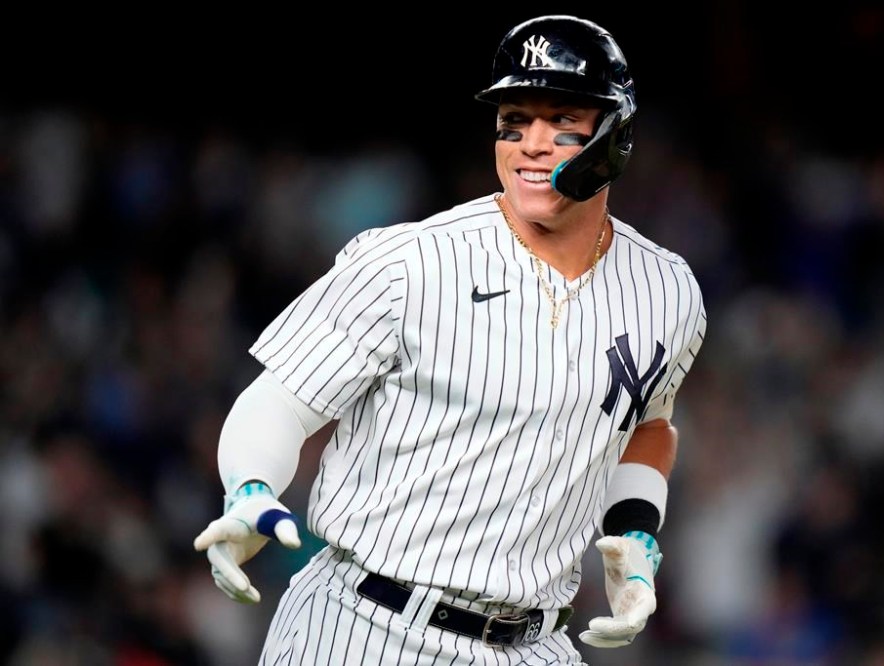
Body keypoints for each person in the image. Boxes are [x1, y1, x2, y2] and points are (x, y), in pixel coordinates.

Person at [194, 14, 707, 665]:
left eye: (561, 122)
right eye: (514, 121)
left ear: (617, 137)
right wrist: (250, 489)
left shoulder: (668, 291)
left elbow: (647, 425)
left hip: (536, 642)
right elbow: (280, 401)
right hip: (364, 625)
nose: (532, 143)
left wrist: (635, 529)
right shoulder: (409, 263)